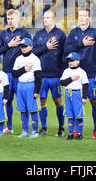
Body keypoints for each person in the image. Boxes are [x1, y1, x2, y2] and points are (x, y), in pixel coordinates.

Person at [64, 8, 96, 139]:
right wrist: (81, 43)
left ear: (89, 18)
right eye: (80, 15)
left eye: (84, 16)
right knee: (75, 102)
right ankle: (75, 131)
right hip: (74, 74)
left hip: (91, 73)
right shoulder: (73, 33)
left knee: (93, 101)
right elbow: (67, 49)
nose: (82, 18)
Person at [0, 9, 31, 134]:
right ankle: (9, 127)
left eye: (12, 19)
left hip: (20, 73)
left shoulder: (24, 33)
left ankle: (25, 128)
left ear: (18, 19)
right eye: (8, 19)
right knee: (7, 100)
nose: (10, 21)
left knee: (22, 101)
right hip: (6, 73)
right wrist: (9, 45)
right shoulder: (3, 34)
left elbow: (31, 50)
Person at [33, 9, 66, 137]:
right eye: (44, 18)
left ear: (53, 19)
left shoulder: (61, 35)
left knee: (57, 100)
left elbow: (65, 54)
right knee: (42, 101)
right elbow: (33, 51)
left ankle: (61, 128)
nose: (45, 20)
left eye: (48, 18)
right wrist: (45, 47)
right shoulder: (38, 34)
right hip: (41, 75)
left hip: (56, 74)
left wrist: (63, 73)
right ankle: (44, 127)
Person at [11, 38, 42, 138]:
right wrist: (24, 69)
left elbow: (38, 75)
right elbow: (14, 73)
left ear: (31, 47)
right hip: (20, 85)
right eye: (22, 46)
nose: (23, 48)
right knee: (22, 109)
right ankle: (25, 131)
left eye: (25, 46)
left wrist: (36, 90)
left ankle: (35, 131)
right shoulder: (18, 59)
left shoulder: (35, 59)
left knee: (33, 109)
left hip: (30, 85)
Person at [59, 52, 89, 140]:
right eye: (69, 61)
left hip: (77, 94)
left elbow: (85, 85)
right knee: (70, 114)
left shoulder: (81, 72)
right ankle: (71, 133)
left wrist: (84, 97)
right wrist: (71, 79)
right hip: (68, 93)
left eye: (72, 60)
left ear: (78, 62)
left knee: (78, 114)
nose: (70, 62)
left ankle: (79, 133)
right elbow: (62, 82)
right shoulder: (66, 71)